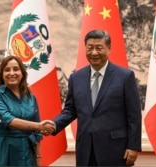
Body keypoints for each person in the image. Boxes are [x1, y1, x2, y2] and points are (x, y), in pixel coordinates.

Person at [45, 29, 142, 166]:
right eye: (90, 48)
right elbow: (70, 110)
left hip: (115, 149)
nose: (94, 52)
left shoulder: (125, 77)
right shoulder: (76, 78)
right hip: (86, 149)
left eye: (99, 48)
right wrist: (54, 124)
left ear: (109, 48)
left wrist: (133, 146)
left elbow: (134, 115)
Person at [0, 55, 55, 166]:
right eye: (7, 70)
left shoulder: (31, 97)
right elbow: (9, 121)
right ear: (2, 75)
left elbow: (37, 134)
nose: (12, 73)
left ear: (22, 73)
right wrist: (40, 126)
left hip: (27, 153)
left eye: (16, 69)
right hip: (1, 151)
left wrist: (38, 158)